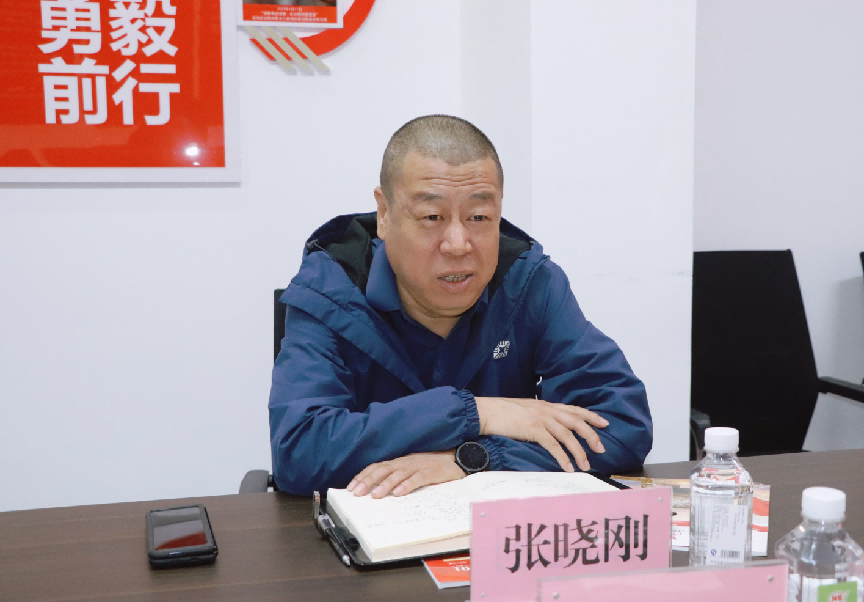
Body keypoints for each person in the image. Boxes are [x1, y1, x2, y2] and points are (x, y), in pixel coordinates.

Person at [269, 115, 652, 498]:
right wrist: (476, 413)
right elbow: (300, 453)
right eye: (432, 217)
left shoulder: (528, 283)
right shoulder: (330, 291)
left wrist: (475, 458)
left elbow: (621, 424)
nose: (458, 244)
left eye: (479, 217)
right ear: (384, 214)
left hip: (494, 526)